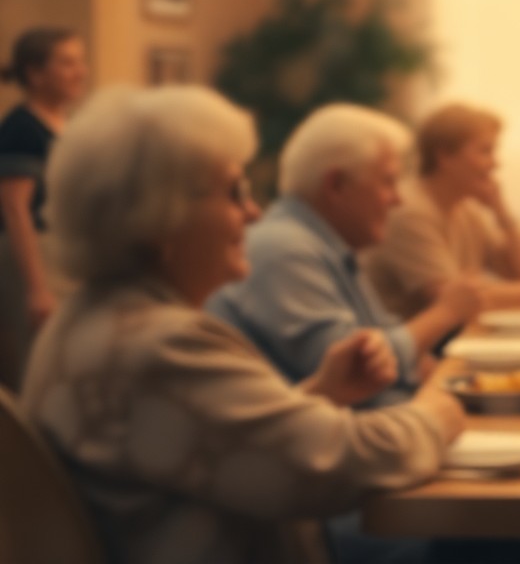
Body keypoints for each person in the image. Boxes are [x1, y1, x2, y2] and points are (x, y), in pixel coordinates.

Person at [21, 86, 466, 564]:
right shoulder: (161, 345)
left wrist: (323, 392)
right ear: (161, 218)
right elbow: (335, 466)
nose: (254, 213)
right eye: (235, 191)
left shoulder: (90, 318)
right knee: (481, 539)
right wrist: (439, 414)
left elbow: (212, 445)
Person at [208, 104, 482, 408]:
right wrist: (446, 311)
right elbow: (358, 375)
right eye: (387, 182)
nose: (398, 199)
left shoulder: (327, 243)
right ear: (336, 185)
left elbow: (390, 340)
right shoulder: (284, 249)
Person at [367, 102, 520, 319]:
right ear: (444, 156)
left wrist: (501, 212)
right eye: (485, 151)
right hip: (418, 347)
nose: (495, 163)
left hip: (452, 338)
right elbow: (450, 299)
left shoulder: (465, 207)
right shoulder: (408, 210)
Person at [0, 27, 87, 390]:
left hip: (63, 255)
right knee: (37, 361)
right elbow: (15, 210)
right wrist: (36, 287)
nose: (80, 71)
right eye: (67, 63)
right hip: (32, 254)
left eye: (81, 61)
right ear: (35, 74)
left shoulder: (67, 123)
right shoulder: (21, 128)